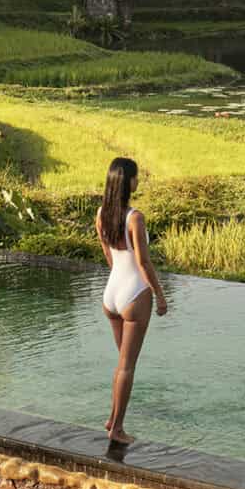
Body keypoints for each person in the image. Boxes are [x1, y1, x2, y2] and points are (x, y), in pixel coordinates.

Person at [96, 156, 167, 445]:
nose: (139, 181)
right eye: (136, 176)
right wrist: (159, 295)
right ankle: (117, 429)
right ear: (128, 182)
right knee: (127, 366)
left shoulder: (101, 213)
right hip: (134, 294)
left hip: (112, 292)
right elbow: (143, 262)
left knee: (121, 363)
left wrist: (118, 280)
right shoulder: (135, 217)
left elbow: (108, 252)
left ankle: (111, 419)